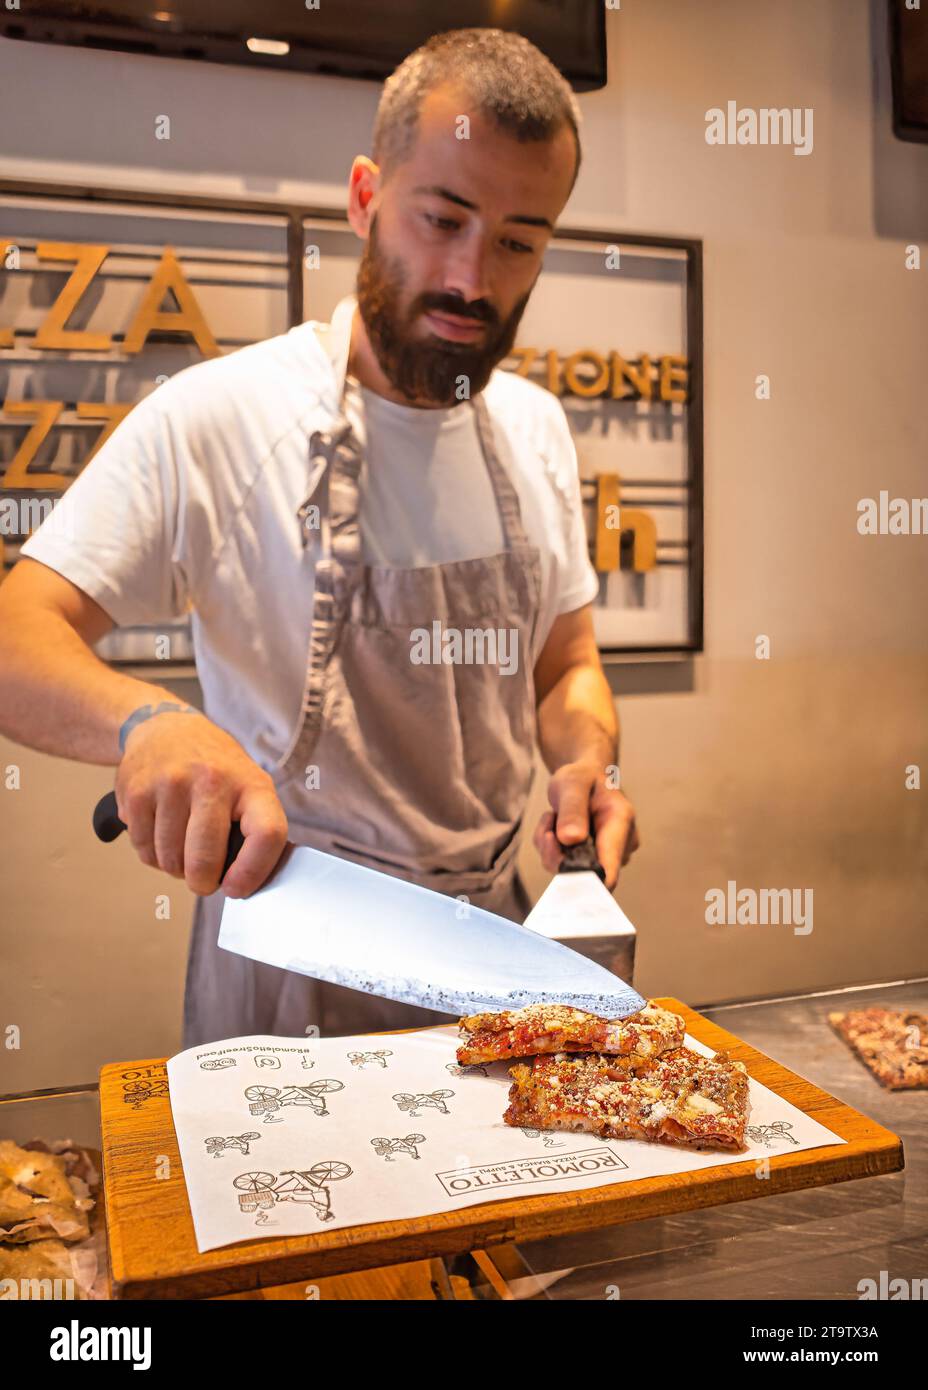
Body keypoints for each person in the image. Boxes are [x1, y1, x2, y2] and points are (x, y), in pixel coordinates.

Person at [0, 27, 639, 1045]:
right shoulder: (219, 416)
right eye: (442, 219)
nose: (473, 279)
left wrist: (587, 762)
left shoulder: (532, 430)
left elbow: (565, 666)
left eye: (518, 240)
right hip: (291, 958)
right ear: (363, 198)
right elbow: (17, 633)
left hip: (499, 943)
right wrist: (145, 725)